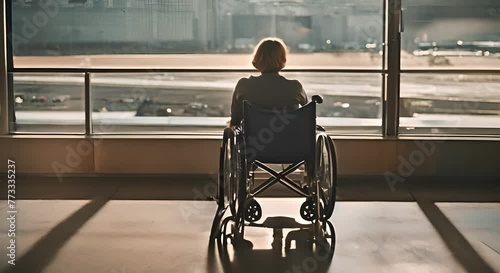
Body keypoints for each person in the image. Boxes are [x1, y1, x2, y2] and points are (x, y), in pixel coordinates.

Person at [229, 37, 308, 127]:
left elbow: (235, 121)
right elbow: (308, 117)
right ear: (283, 59)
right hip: (290, 140)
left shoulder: (243, 86)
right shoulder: (295, 87)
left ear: (257, 58)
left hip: (253, 140)